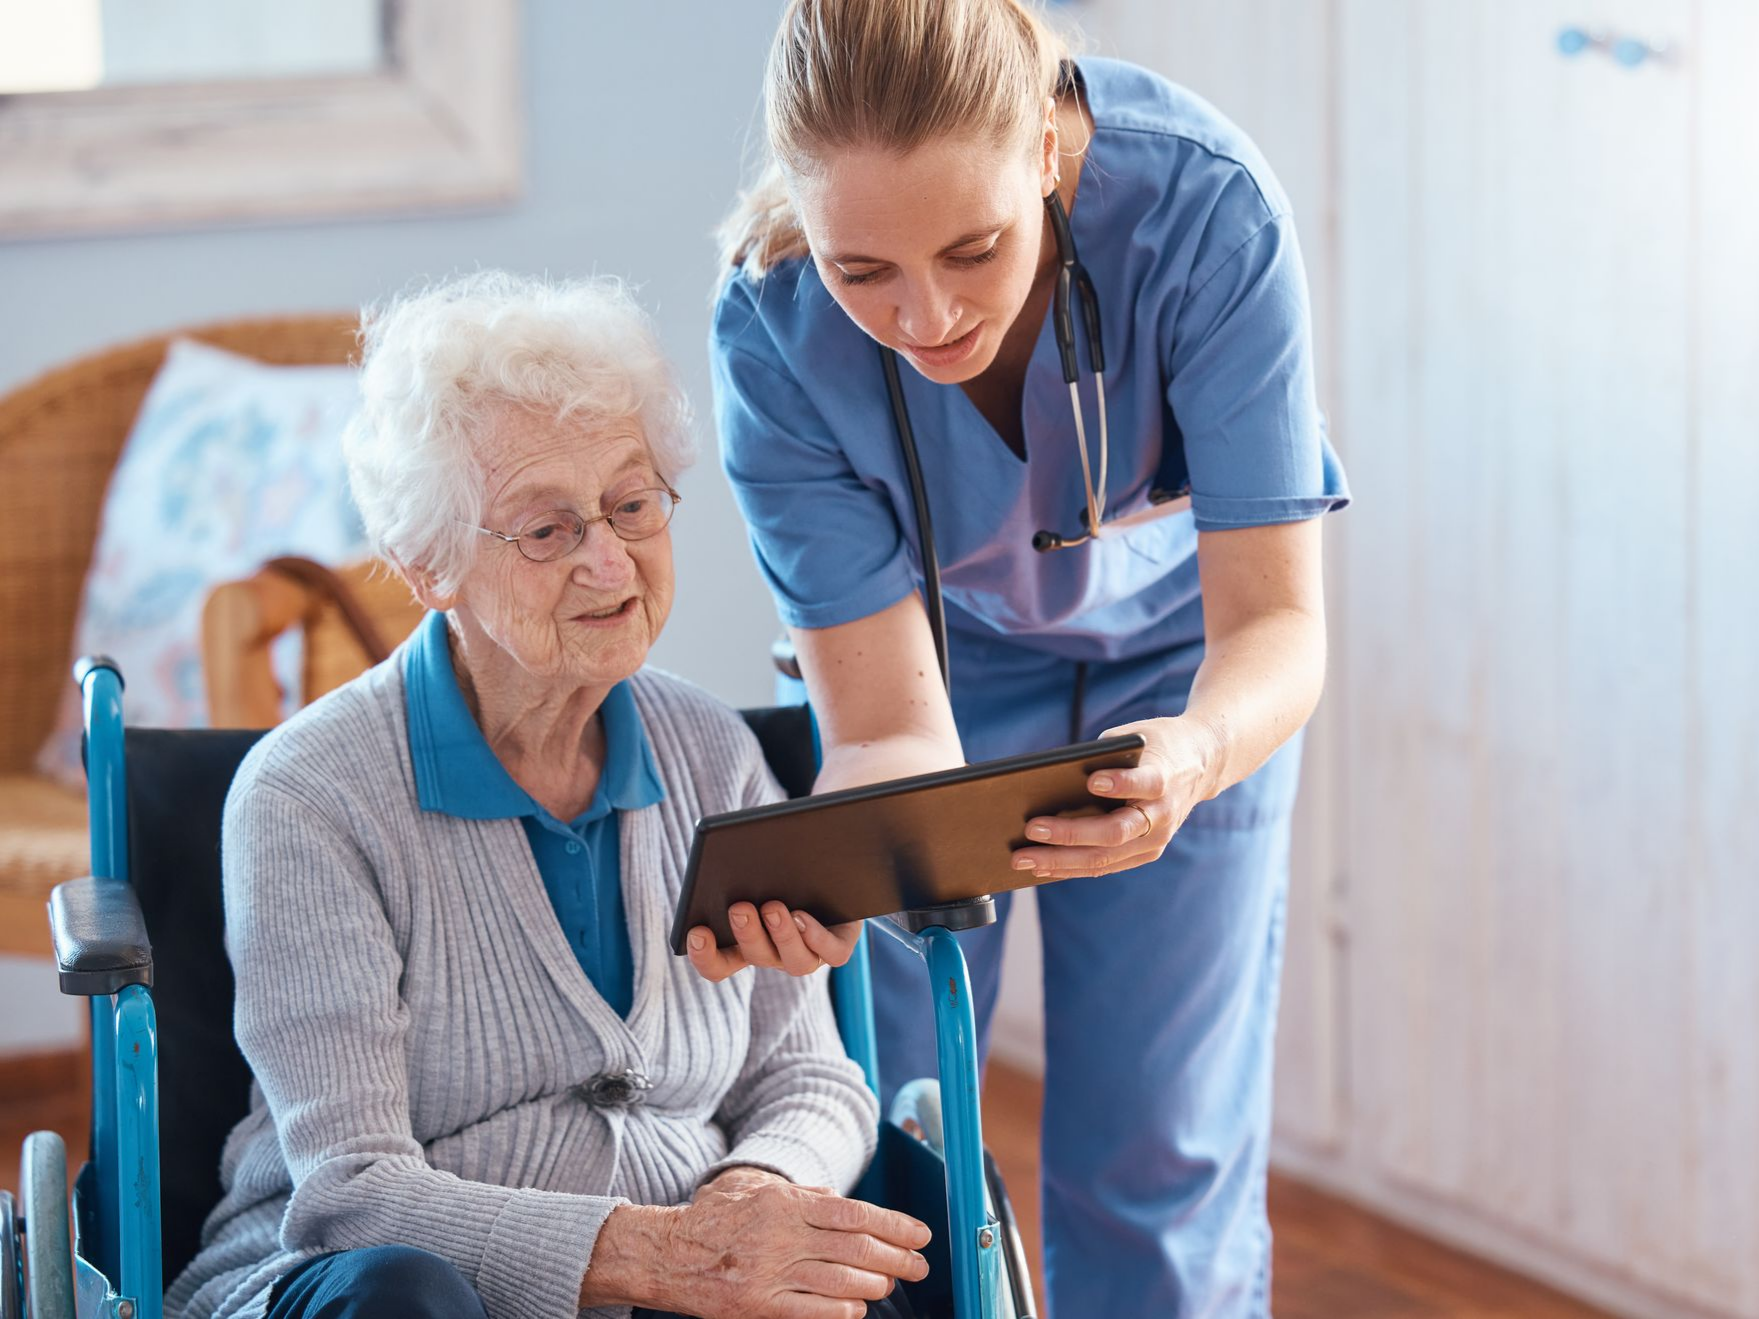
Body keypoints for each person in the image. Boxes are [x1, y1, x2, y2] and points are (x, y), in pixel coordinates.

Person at [691, 2, 1351, 1314]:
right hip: (923, 679)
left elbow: (1274, 624)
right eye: (858, 269)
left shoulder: (1203, 211)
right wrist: (868, 855)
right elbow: (881, 723)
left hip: (1179, 682)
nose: (922, 314)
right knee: (890, 1136)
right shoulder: (769, 328)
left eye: (972, 248)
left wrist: (1198, 753)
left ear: (1047, 146)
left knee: (1160, 1152)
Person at [165, 272, 928, 1319]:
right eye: (547, 529)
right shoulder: (311, 797)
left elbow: (811, 1080)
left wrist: (749, 1202)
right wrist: (654, 1253)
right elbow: (348, 1195)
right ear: (426, 562)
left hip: (680, 1282)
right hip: (387, 1284)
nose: (610, 560)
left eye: (630, 502)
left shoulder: (713, 753)